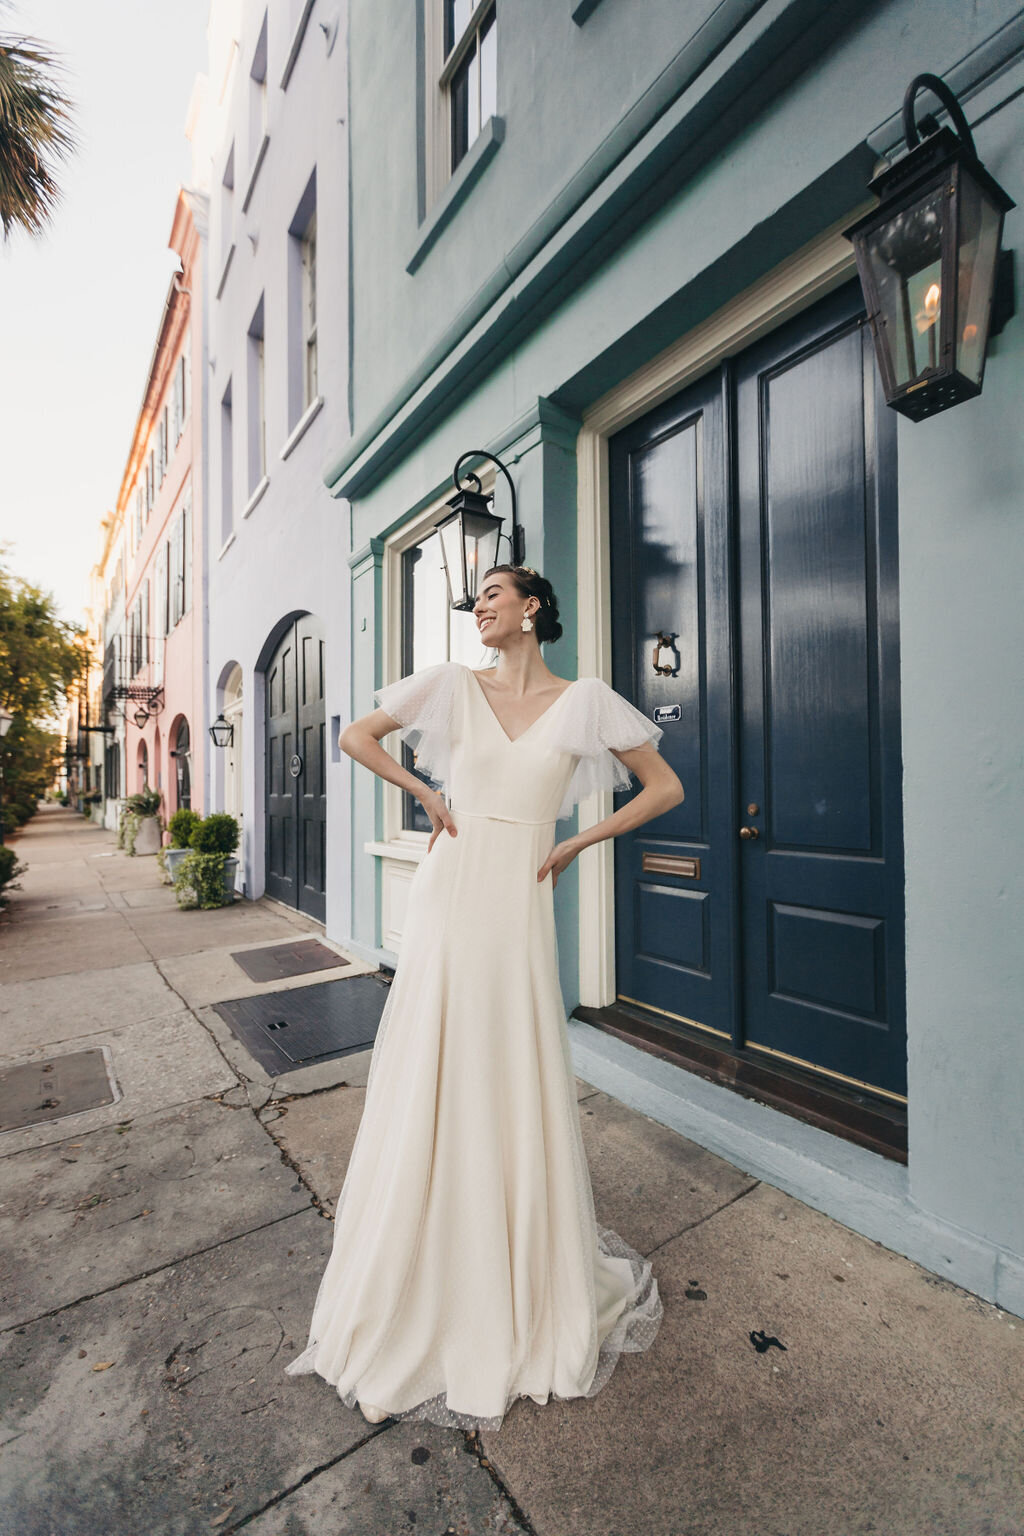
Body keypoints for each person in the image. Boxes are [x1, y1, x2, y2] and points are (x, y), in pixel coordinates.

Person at [284, 563, 685, 1430]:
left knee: (510, 1058)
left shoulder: (585, 700)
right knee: (437, 1058)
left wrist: (582, 843)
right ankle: (427, 1261)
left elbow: (665, 788)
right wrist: (427, 793)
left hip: (520, 896)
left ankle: (514, 1261)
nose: (480, 611)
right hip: (454, 886)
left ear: (532, 606)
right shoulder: (450, 686)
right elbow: (358, 738)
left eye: (492, 597)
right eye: (476, 603)